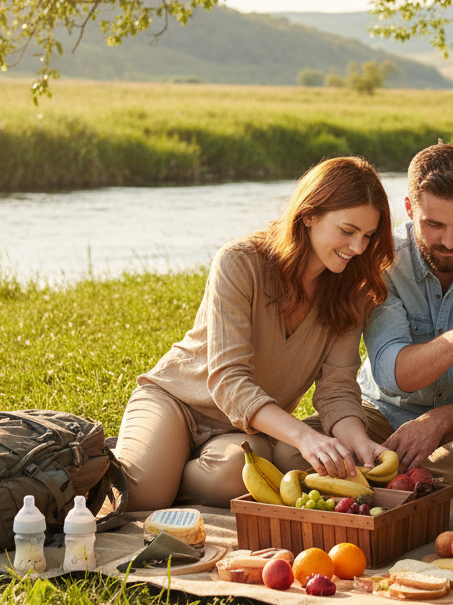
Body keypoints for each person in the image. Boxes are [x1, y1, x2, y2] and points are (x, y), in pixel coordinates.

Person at [113, 156, 395, 511]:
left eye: (368, 236)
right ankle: (146, 460)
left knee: (239, 475)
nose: (358, 248)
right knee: (142, 498)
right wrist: (304, 436)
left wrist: (359, 442)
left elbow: (337, 388)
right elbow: (228, 379)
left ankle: (164, 466)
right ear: (309, 215)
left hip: (245, 430)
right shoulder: (239, 262)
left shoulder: (351, 290)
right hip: (179, 402)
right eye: (347, 231)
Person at [295, 142, 453, 494]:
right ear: (409, 209)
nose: (450, 241)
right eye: (434, 224)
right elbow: (391, 375)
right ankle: (415, 480)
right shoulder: (382, 259)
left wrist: (440, 421)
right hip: (381, 415)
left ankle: (383, 479)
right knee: (289, 455)